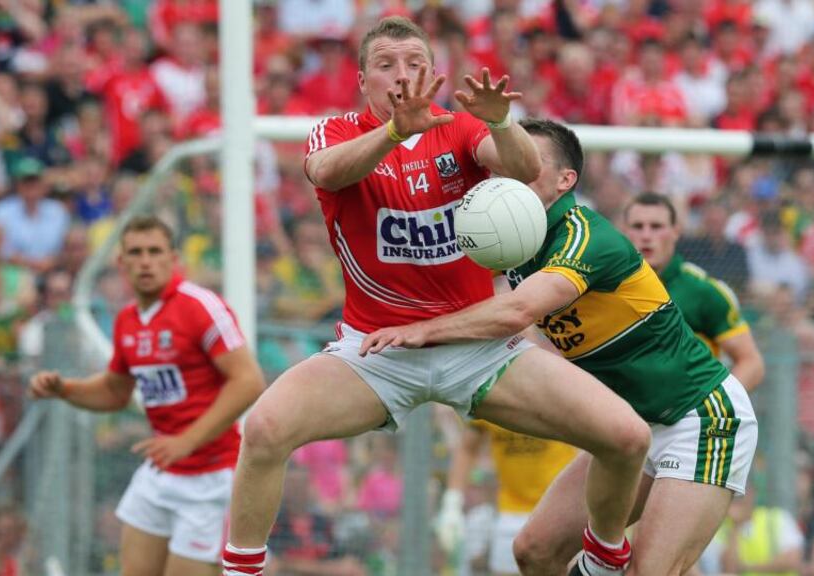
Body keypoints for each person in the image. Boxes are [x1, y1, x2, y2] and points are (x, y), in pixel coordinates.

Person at [221, 17, 650, 576]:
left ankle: (603, 561)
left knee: (627, 437)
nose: (402, 75)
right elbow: (326, 172)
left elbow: (525, 172)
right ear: (362, 80)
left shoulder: (462, 129)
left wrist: (502, 123)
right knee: (263, 430)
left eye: (414, 63)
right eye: (386, 65)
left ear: (432, 73)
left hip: (477, 346)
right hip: (375, 354)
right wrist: (395, 132)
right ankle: (241, 572)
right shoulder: (337, 133)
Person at [360, 118, 759, 576]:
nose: (512, 171)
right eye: (508, 162)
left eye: (529, 164)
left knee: (650, 571)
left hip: (700, 420)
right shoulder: (516, 242)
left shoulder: (583, 235)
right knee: (535, 550)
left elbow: (515, 312)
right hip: (633, 430)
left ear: (565, 180)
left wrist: (423, 330)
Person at [28, 215, 265, 575]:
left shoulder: (200, 307)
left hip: (211, 477)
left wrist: (186, 441)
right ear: (121, 263)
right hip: (161, 471)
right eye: (135, 253)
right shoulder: (128, 319)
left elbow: (248, 382)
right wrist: (65, 389)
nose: (145, 261)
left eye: (155, 251)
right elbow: (114, 392)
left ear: (173, 258)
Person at [623, 192, 766, 390]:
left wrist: (716, 406)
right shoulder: (603, 288)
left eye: (656, 227)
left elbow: (751, 363)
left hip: (687, 415)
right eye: (638, 227)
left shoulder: (704, 290)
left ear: (676, 231)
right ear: (623, 232)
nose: (646, 235)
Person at [438, 419, 578, 575]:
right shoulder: (490, 399)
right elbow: (467, 447)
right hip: (510, 512)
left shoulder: (559, 397)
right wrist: (452, 503)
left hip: (558, 510)